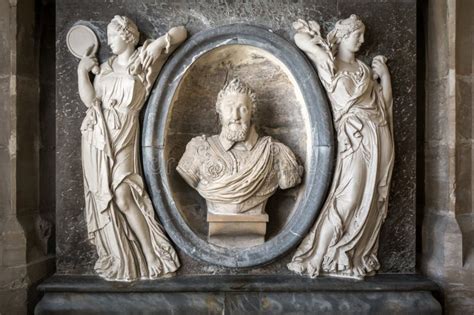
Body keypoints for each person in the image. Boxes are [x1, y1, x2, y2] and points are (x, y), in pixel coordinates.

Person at [77, 15, 187, 281]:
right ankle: (126, 257)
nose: (108, 41)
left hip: (125, 131)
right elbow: (91, 101)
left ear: (127, 36)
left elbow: (181, 31)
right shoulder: (104, 68)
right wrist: (81, 72)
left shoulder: (144, 60)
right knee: (109, 198)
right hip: (97, 136)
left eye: (112, 36)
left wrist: (160, 42)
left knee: (124, 194)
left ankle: (151, 254)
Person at [287, 15, 394, 279]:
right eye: (357, 35)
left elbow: (383, 105)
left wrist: (385, 76)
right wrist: (315, 49)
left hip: (377, 136)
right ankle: (318, 255)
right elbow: (299, 36)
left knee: (367, 202)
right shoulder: (329, 62)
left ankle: (351, 255)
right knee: (347, 199)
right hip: (352, 141)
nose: (362, 40)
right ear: (343, 35)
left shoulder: (364, 70)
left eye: (362, 35)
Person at [176, 78, 303, 217]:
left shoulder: (275, 152)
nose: (235, 116)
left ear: (251, 112)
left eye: (242, 109)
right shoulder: (199, 149)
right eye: (229, 108)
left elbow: (288, 181)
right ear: (219, 111)